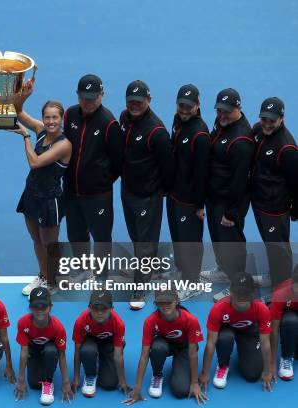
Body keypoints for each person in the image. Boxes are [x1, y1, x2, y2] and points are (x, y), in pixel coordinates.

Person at [11, 83, 72, 296]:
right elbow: (17, 112)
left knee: (50, 244)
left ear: (61, 119)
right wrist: (23, 97)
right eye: (47, 117)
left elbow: (35, 162)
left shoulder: (64, 144)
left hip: (50, 200)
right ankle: (44, 276)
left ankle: (53, 281)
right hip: (31, 195)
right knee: (36, 239)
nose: (50, 121)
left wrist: (26, 137)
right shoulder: (41, 130)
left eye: (55, 117)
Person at [119, 80, 174, 311]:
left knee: (144, 243)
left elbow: (168, 168)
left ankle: (140, 286)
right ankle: (147, 268)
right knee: (136, 237)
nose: (134, 106)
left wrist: (155, 193)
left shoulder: (157, 132)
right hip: (127, 191)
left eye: (139, 102)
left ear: (148, 101)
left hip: (147, 197)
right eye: (131, 101)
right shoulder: (124, 118)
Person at [62, 75, 123, 280]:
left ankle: (102, 275)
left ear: (102, 95)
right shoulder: (69, 115)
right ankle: (83, 270)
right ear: (77, 95)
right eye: (84, 97)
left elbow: (118, 162)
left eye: (93, 98)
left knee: (101, 237)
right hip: (71, 191)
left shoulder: (109, 123)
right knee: (76, 234)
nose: (88, 102)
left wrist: (100, 182)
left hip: (98, 195)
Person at [200, 89, 253, 299]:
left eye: (227, 111)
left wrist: (231, 213)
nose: (222, 115)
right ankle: (223, 270)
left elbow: (239, 182)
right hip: (215, 197)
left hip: (229, 202)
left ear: (238, 108)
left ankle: (236, 283)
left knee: (232, 243)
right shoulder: (221, 123)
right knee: (218, 239)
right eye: (219, 110)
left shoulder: (241, 141)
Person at [123, 289, 205, 404]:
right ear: (155, 303)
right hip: (163, 345)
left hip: (184, 348)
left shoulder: (190, 320)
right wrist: (137, 389)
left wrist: (195, 383)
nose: (164, 306)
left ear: (176, 300)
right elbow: (144, 355)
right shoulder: (150, 321)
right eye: (161, 302)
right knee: (157, 347)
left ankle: (179, 366)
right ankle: (157, 374)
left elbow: (193, 353)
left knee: (180, 391)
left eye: (168, 302)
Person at [167, 85, 210, 301]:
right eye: (181, 105)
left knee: (190, 241)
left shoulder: (200, 134)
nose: (184, 109)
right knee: (178, 238)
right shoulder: (178, 121)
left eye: (189, 106)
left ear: (198, 106)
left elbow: (203, 174)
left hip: (190, 200)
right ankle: (183, 271)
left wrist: (200, 205)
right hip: (175, 194)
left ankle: (193, 282)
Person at [250, 97, 298, 289]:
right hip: (259, 202)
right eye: (264, 119)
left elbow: (296, 183)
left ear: (282, 119)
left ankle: (282, 288)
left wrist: (295, 210)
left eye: (272, 120)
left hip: (275, 208)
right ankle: (275, 278)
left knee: (279, 249)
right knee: (271, 246)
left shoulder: (287, 148)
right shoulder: (258, 131)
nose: (267, 124)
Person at [199, 273, 274, 392]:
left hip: (249, 332)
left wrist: (267, 370)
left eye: (246, 293)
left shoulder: (262, 309)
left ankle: (243, 349)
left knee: (252, 375)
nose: (241, 296)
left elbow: (265, 342)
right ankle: (223, 365)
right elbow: (210, 343)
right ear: (231, 292)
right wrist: (204, 373)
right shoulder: (218, 308)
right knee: (225, 338)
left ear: (252, 294)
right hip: (228, 331)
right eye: (238, 292)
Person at [14, 287, 73, 405]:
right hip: (33, 351)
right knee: (34, 384)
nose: (40, 310)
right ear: (30, 307)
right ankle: (40, 367)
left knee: (51, 351)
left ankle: (48, 381)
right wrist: (21, 379)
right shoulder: (23, 323)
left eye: (43, 307)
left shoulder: (58, 328)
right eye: (36, 307)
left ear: (50, 307)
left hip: (49, 351)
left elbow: (61, 355)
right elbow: (24, 351)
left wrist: (66, 382)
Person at [71, 289, 130, 398]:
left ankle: (102, 359)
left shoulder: (118, 323)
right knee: (87, 350)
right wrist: (76, 378)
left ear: (112, 309)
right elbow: (77, 351)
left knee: (110, 384)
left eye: (104, 309)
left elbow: (118, 355)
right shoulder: (81, 321)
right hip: (90, 344)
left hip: (108, 345)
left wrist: (122, 382)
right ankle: (90, 374)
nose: (99, 312)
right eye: (96, 308)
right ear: (89, 308)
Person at [269, 265, 298, 381]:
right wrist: (271, 363)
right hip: (288, 319)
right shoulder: (280, 294)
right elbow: (274, 330)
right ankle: (286, 357)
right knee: (290, 320)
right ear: (292, 282)